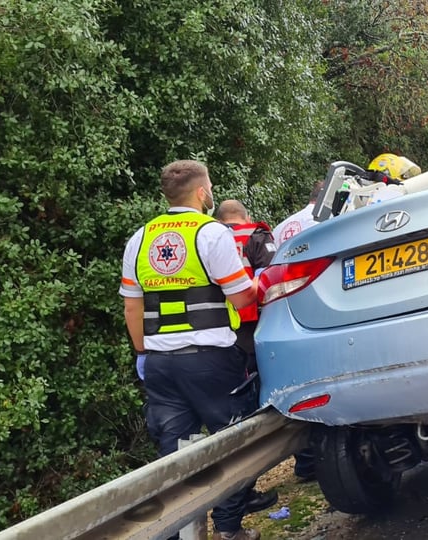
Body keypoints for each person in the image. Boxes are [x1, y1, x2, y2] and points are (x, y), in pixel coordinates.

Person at [119, 160, 262, 540]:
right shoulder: (211, 233)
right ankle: (229, 531)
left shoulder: (141, 238)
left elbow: (132, 306)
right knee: (233, 445)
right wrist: (262, 288)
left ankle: (177, 533)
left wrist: (143, 354)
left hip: (161, 364)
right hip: (210, 361)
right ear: (202, 193)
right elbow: (241, 293)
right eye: (210, 186)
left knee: (175, 457)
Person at [214, 199, 276, 369]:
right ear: (247, 218)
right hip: (251, 321)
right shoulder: (257, 236)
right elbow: (270, 276)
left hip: (216, 321)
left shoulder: (209, 238)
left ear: (219, 221)